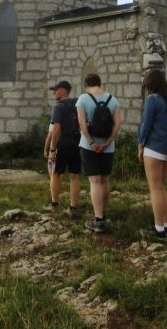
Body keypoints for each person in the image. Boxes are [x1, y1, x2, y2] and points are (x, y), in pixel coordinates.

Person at [137, 69, 167, 240]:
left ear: (150, 83)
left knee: (155, 188)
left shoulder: (152, 100)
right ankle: (165, 225)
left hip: (154, 148)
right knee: (161, 187)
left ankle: (158, 230)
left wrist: (140, 145)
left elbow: (146, 125)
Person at [76, 73, 121, 233]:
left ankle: (98, 220)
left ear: (87, 84)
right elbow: (117, 125)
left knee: (94, 180)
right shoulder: (113, 100)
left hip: (89, 147)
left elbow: (82, 124)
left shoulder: (82, 99)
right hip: (108, 147)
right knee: (104, 180)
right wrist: (107, 143)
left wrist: (92, 142)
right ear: (100, 83)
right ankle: (102, 212)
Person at [44, 80, 81, 218]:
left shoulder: (58, 107)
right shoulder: (77, 104)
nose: (54, 92)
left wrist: (52, 149)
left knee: (56, 174)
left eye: (56, 89)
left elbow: (56, 129)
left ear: (64, 90)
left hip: (63, 144)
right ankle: (73, 208)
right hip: (77, 143)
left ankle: (54, 205)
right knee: (74, 176)